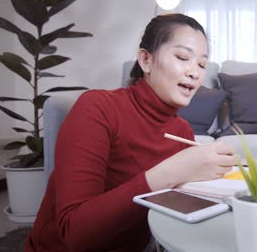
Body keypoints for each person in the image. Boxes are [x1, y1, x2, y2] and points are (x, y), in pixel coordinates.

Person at [25, 13, 238, 251]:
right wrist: (170, 172)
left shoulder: (182, 132)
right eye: (182, 57)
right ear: (146, 59)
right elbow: (74, 234)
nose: (195, 73)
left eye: (201, 64)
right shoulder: (97, 108)